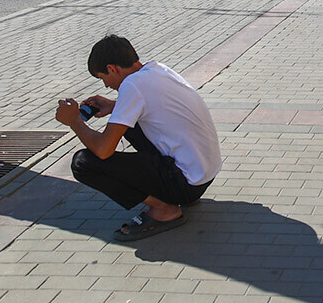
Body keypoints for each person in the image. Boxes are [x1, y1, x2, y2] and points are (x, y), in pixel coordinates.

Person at [55, 35, 222, 242]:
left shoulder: (132, 86)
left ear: (112, 69)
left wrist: (75, 122)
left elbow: (103, 150)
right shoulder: (157, 69)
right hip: (203, 175)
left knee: (83, 163)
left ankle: (165, 209)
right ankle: (169, 195)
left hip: (185, 184)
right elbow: (152, 105)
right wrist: (114, 106)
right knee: (127, 123)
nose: (106, 85)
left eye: (102, 78)